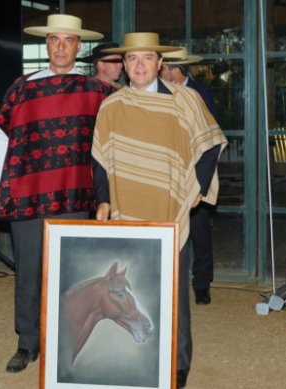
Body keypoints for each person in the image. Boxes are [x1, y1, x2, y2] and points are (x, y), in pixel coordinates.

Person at [92, 32, 228, 388]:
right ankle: (134, 355)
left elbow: (211, 143)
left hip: (171, 208)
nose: (139, 66)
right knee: (129, 285)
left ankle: (178, 363)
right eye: (132, 59)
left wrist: (198, 186)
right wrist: (103, 199)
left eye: (147, 59)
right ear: (123, 65)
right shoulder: (112, 106)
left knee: (174, 287)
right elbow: (100, 159)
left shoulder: (186, 101)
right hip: (125, 206)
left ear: (160, 63)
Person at [0, 14, 113, 373]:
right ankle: (27, 343)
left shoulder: (96, 92)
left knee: (70, 275)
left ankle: (64, 342)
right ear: (46, 44)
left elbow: (112, 144)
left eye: (67, 40)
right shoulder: (22, 88)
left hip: (74, 195)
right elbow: (3, 138)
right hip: (27, 193)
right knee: (28, 272)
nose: (60, 46)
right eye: (54, 39)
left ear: (77, 46)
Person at [160, 47, 217, 305]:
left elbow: (209, 134)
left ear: (175, 70)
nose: (160, 70)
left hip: (196, 172)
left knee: (200, 233)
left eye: (163, 67)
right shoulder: (158, 94)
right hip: (167, 173)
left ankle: (202, 285)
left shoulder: (201, 93)